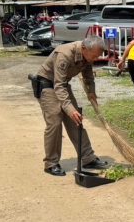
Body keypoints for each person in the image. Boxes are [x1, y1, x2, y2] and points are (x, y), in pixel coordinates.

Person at [35, 36, 110, 176]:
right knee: (55, 123)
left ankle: (88, 158)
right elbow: (58, 85)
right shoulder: (64, 54)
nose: (94, 59)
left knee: (76, 120)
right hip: (48, 86)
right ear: (84, 49)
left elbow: (88, 75)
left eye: (97, 57)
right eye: (94, 56)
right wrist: (69, 109)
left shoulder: (87, 55)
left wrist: (91, 91)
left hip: (62, 86)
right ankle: (51, 163)